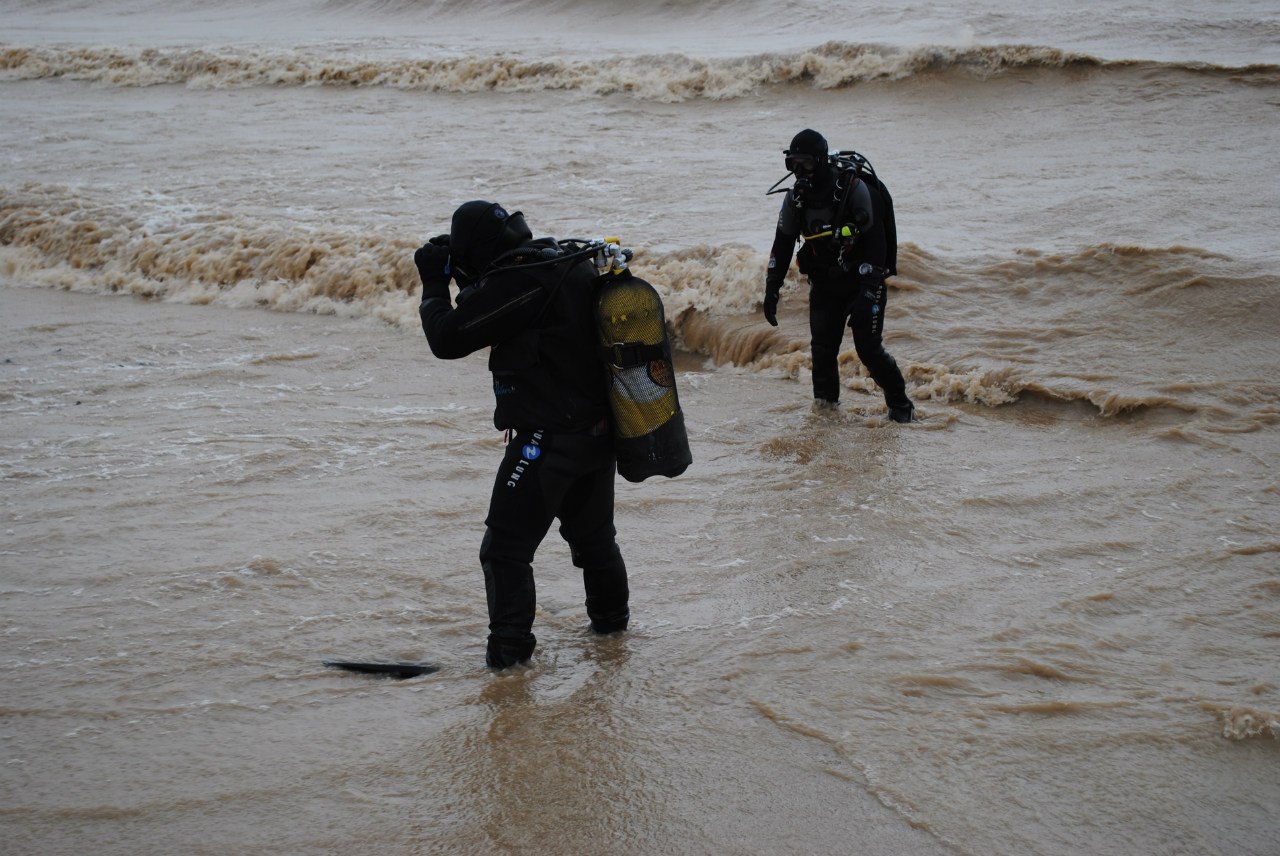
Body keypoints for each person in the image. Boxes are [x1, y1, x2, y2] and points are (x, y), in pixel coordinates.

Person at [415, 201, 630, 669]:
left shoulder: (519, 281)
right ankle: (614, 641)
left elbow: (447, 338)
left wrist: (433, 281)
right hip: (597, 435)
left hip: (549, 442)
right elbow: (494, 310)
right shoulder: (562, 263)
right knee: (595, 543)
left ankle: (508, 662)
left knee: (504, 550)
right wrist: (465, 275)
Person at [763, 129, 914, 422]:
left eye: (806, 164)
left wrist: (868, 291)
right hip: (825, 284)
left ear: (822, 161)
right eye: (792, 164)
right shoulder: (795, 199)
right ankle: (826, 415)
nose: (799, 172)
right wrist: (772, 287)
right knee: (822, 351)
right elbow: (782, 244)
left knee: (868, 350)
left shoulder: (853, 190)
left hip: (862, 281)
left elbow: (878, 245)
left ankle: (901, 406)